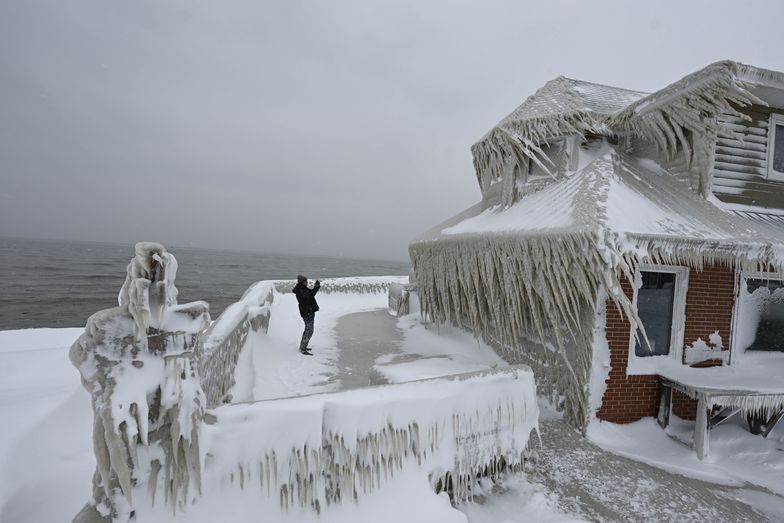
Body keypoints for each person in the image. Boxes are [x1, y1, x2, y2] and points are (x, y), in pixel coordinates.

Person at [292, 275, 320, 355]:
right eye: (306, 281)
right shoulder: (300, 290)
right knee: (309, 330)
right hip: (307, 312)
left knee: (308, 329)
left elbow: (310, 293)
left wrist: (316, 287)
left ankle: (303, 346)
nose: (307, 283)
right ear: (303, 282)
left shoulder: (302, 288)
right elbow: (310, 295)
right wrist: (316, 287)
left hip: (309, 311)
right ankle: (303, 348)